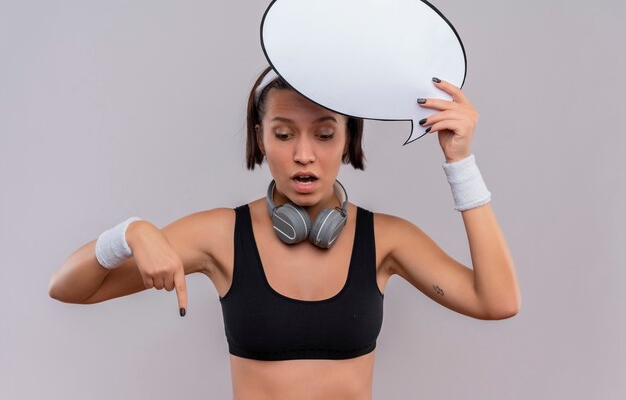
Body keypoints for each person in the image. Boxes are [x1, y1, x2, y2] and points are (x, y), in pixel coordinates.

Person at [49, 66, 521, 400]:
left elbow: (497, 301)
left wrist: (460, 161)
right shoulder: (219, 236)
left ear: (348, 138)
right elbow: (68, 288)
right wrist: (131, 232)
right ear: (260, 137)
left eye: (323, 133)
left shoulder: (388, 241)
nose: (302, 155)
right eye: (282, 134)